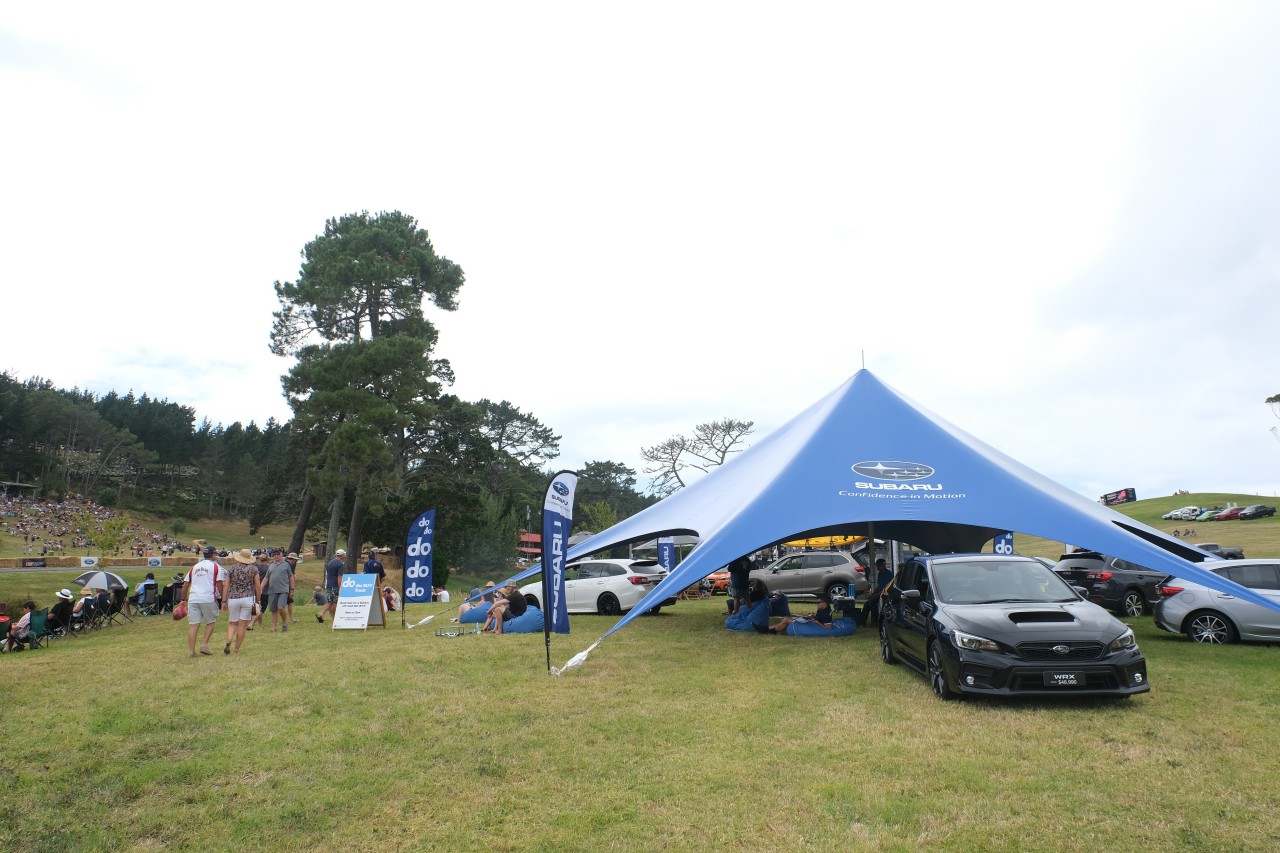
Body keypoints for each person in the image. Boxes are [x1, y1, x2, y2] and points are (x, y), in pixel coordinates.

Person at [183, 545, 223, 657]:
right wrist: (224, 598)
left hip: (194, 598)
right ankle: (204, 645)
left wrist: (183, 599)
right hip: (208, 597)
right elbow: (219, 583)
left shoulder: (195, 567)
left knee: (193, 625)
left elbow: (186, 584)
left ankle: (191, 651)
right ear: (213, 554)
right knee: (211, 621)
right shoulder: (215, 567)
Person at [221, 548, 262, 654]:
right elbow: (257, 586)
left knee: (232, 623)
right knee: (242, 625)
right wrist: (258, 600)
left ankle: (229, 640)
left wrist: (224, 601)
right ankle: (236, 649)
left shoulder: (232, 568)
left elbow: (226, 586)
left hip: (233, 598)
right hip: (247, 598)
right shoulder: (253, 569)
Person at [757, 594, 833, 634]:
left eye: (818, 602)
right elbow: (818, 617)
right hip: (810, 622)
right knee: (786, 619)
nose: (817, 604)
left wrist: (817, 622)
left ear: (824, 603)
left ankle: (767, 630)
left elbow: (828, 628)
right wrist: (813, 616)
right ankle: (766, 629)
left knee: (787, 619)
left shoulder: (826, 613)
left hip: (813, 626)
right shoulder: (821, 609)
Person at [264, 547, 294, 632]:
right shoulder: (271, 565)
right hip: (272, 590)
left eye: (278, 554)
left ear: (282, 555)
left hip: (283, 590)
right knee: (273, 610)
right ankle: (274, 627)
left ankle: (284, 623)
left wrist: (292, 589)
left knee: (281, 608)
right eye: (274, 554)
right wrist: (260, 587)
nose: (276, 556)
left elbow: (291, 576)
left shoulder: (286, 564)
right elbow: (266, 578)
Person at [859, 558, 895, 626]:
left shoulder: (888, 574)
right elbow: (879, 586)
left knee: (872, 601)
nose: (878, 567)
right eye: (877, 565)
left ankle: (875, 621)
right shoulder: (880, 574)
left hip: (887, 593)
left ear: (884, 565)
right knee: (867, 603)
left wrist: (876, 595)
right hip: (881, 592)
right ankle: (862, 622)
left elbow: (886, 588)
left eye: (879, 565)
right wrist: (873, 593)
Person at [317, 549, 346, 624]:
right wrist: (340, 587)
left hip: (329, 584)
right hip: (335, 585)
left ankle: (321, 613)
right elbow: (339, 578)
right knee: (335, 602)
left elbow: (327, 574)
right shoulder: (340, 564)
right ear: (342, 555)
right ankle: (337, 619)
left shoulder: (330, 562)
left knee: (330, 602)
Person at [284, 552, 301, 623]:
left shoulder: (284, 564)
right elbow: (291, 577)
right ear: (293, 559)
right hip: (287, 586)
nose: (295, 561)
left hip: (283, 586)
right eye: (295, 560)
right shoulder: (289, 565)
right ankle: (291, 619)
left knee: (282, 603)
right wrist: (292, 588)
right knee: (289, 603)